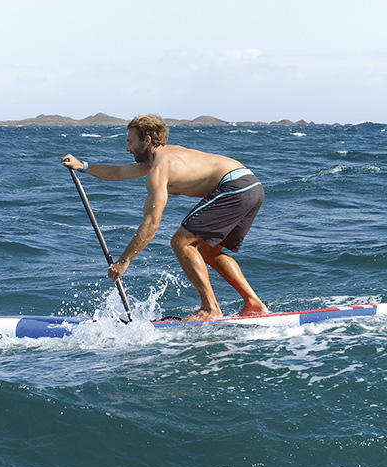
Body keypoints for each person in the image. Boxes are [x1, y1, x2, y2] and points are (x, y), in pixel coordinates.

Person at [61, 114, 268, 321]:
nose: (127, 149)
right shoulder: (161, 157)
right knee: (208, 251)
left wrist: (124, 261)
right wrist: (82, 166)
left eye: (130, 141)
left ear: (147, 140)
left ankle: (210, 308)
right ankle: (253, 304)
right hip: (252, 186)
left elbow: (152, 222)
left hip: (235, 188)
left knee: (181, 242)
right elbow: (119, 172)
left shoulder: (160, 168)